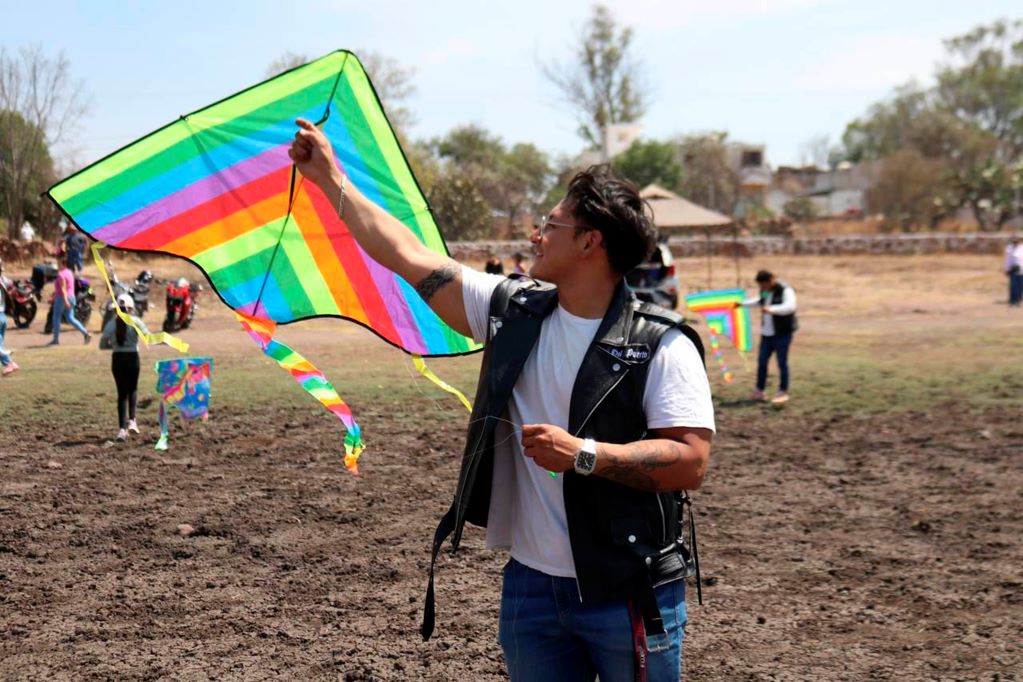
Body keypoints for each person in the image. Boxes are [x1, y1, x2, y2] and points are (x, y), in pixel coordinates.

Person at [290, 118, 715, 681]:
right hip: (531, 589)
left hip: (628, 589)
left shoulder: (661, 343)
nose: (535, 236)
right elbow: (406, 255)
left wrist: (584, 455)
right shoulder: (511, 310)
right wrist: (330, 180)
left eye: (551, 224)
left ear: (590, 242)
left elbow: (690, 462)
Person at [741, 270, 797, 404]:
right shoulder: (765, 291)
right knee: (762, 362)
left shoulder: (785, 290)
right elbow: (760, 301)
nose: (762, 288)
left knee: (781, 362)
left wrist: (771, 309)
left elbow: (790, 307)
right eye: (760, 285)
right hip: (766, 334)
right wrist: (742, 304)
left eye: (764, 284)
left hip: (782, 334)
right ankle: (759, 391)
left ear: (771, 279)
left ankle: (783, 391)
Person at [100, 293, 147, 440]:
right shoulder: (136, 322)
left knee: (121, 394)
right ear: (131, 309)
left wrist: (114, 346)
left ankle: (121, 429)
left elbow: (102, 345)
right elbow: (147, 337)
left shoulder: (110, 325)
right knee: (132, 389)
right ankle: (132, 421)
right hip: (133, 358)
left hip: (118, 359)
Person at [48, 254, 91, 346]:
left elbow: (63, 289)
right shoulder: (69, 272)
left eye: (58, 262)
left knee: (56, 318)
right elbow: (66, 287)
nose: (57, 264)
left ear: (62, 263)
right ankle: (85, 333)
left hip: (62, 298)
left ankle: (56, 340)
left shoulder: (61, 274)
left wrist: (64, 300)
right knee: (70, 318)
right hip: (71, 297)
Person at [0, 267, 17, 376]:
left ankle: (9, 363)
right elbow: (12, 285)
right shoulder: (3, 279)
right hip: (3, 316)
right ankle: (10, 363)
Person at [1005, 235, 1023, 307]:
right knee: (1013, 286)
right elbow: (1008, 260)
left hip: (1021, 269)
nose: (1015, 243)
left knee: (1020, 286)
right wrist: (1007, 269)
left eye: (1016, 241)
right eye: (1014, 241)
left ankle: (1018, 299)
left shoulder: (1021, 248)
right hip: (1013, 269)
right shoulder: (1009, 249)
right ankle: (1013, 301)